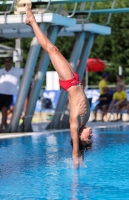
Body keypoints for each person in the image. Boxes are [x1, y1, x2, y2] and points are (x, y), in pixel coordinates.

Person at [25, 5, 92, 167]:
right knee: (53, 50)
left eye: (88, 138)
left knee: (51, 50)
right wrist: (82, 159)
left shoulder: (75, 123)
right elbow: (80, 152)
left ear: (79, 136)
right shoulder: (85, 120)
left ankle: (32, 21)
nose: (91, 134)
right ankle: (31, 21)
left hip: (69, 82)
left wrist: (76, 174)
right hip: (74, 80)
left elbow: (75, 151)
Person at [0, 57, 23, 132]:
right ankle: (5, 125)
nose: (7, 62)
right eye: (6, 61)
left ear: (11, 62)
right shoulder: (1, 71)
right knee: (4, 111)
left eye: (9, 61)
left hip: (11, 94)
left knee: (5, 110)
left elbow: (28, 70)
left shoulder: (16, 71)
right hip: (1, 93)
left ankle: (1, 127)